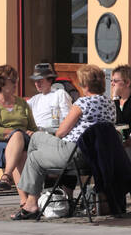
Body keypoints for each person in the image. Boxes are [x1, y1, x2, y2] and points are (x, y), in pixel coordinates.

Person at [14, 64, 118, 220]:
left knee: (35, 146)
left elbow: (61, 131)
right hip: (97, 158)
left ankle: (33, 201)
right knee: (38, 151)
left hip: (75, 153)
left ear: (84, 84)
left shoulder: (82, 104)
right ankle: (54, 192)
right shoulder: (110, 104)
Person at [0, 65, 37, 188]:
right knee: (20, 152)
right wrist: (16, 133)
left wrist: (31, 133)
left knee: (19, 143)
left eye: (16, 79)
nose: (16, 82)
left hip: (24, 142)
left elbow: (33, 128)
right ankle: (25, 201)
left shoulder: (22, 103)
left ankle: (7, 175)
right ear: (0, 82)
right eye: (12, 80)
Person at [27, 63, 72, 131]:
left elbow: (69, 119)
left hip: (53, 134)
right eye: (35, 81)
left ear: (50, 80)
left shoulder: (60, 94)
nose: (37, 84)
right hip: (35, 133)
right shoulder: (35, 99)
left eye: (40, 81)